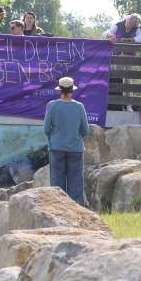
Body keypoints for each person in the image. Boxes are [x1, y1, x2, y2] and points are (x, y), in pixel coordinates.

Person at [44, 77, 89, 206]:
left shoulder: (52, 105)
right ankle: (76, 212)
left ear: (60, 90)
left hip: (56, 148)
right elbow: (85, 130)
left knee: (57, 184)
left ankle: (58, 211)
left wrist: (54, 137)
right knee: (76, 184)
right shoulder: (79, 107)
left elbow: (46, 129)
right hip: (75, 149)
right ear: (72, 90)